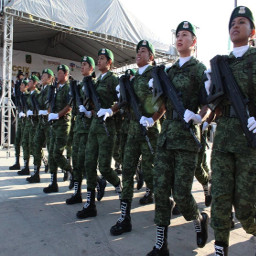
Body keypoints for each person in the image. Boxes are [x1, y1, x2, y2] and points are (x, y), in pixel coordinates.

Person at [147, 22, 209, 256]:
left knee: (182, 193)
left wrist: (199, 117)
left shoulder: (200, 69)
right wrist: (153, 117)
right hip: (167, 137)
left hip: (186, 138)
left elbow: (207, 105)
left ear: (193, 41)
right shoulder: (169, 72)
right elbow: (162, 106)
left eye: (185, 35)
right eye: (178, 35)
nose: (180, 38)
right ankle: (160, 244)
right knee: (161, 189)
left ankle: (198, 219)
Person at [208, 6, 256, 255]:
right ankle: (220, 248)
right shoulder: (220, 63)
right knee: (221, 197)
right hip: (224, 138)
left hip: (250, 143)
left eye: (242, 22)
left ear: (252, 30)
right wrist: (210, 92)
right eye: (232, 23)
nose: (235, 26)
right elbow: (214, 107)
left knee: (246, 205)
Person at [110, 40, 165, 236]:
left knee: (152, 174)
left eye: (143, 51)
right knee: (127, 171)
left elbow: (163, 103)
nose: (139, 54)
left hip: (150, 131)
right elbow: (123, 102)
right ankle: (125, 218)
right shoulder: (131, 80)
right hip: (133, 130)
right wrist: (111, 109)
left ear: (151, 56)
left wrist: (152, 119)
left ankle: (164, 207)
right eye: (138, 51)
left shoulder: (156, 75)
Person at [76, 48, 122, 219]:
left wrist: (111, 110)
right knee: (89, 163)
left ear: (109, 62)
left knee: (104, 166)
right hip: (94, 125)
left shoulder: (114, 79)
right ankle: (90, 204)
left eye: (103, 58)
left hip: (107, 127)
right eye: (99, 58)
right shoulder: (95, 82)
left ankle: (119, 188)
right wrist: (88, 110)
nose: (100, 61)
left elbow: (122, 99)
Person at [43, 65, 73, 193]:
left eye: (60, 73)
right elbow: (50, 103)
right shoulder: (54, 88)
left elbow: (69, 105)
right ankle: (53, 183)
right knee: (51, 155)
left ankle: (72, 172)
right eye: (57, 73)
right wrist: (50, 114)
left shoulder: (68, 87)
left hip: (63, 124)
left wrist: (57, 115)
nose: (57, 75)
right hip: (54, 124)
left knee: (57, 154)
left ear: (66, 74)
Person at [26, 68, 54, 183]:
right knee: (36, 145)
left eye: (44, 76)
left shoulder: (51, 90)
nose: (42, 77)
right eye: (42, 76)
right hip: (41, 122)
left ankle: (57, 175)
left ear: (50, 78)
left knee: (51, 150)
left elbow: (52, 103)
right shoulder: (42, 90)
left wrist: (47, 111)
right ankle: (36, 173)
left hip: (49, 123)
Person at [18, 75, 40, 176]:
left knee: (34, 146)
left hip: (34, 124)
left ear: (35, 83)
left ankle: (39, 167)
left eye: (31, 81)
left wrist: (33, 113)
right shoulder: (29, 95)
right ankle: (26, 167)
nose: (29, 83)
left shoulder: (37, 94)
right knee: (25, 143)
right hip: (28, 123)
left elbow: (40, 110)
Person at [9, 71, 25, 170]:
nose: (20, 86)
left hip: (29, 124)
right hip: (21, 121)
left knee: (31, 146)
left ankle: (44, 163)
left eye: (22, 85)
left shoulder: (30, 96)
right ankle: (17, 162)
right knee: (17, 141)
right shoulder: (20, 95)